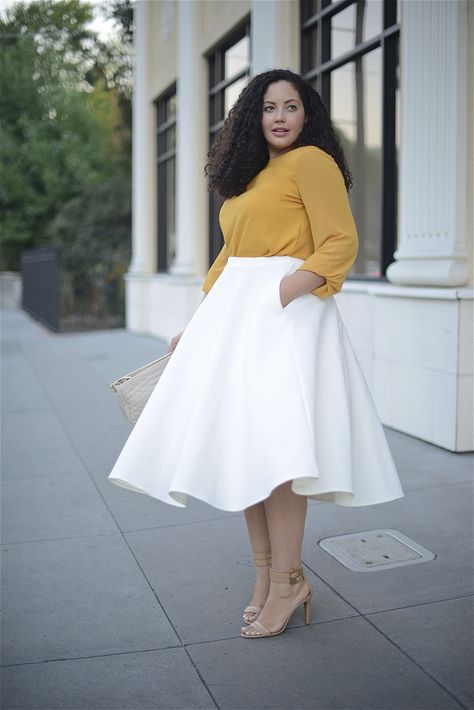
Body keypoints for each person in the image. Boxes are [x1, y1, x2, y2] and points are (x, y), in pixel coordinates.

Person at [108, 68, 404, 640]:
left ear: (307, 115)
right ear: (253, 117)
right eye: (269, 108)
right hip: (239, 318)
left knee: (281, 455)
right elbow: (228, 256)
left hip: (286, 318)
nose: (280, 117)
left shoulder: (312, 162)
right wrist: (199, 324)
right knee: (247, 449)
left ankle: (290, 579)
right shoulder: (249, 175)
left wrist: (280, 293)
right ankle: (269, 578)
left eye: (292, 107)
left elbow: (340, 240)